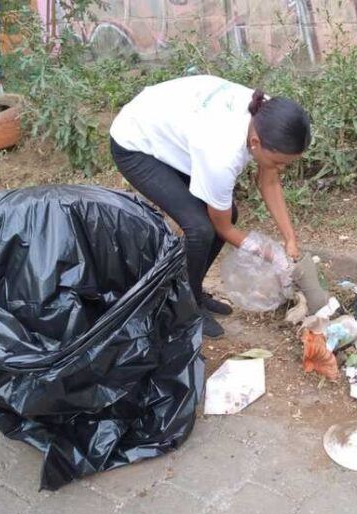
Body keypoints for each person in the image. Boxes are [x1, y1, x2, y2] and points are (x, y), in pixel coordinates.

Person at [110, 74, 311, 339]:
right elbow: (222, 226)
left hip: (174, 130)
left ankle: (191, 290)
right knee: (200, 228)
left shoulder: (268, 117)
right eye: (280, 161)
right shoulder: (222, 155)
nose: (281, 168)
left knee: (219, 217)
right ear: (255, 144)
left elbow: (269, 180)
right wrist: (270, 253)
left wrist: (290, 240)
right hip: (137, 142)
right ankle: (184, 309)